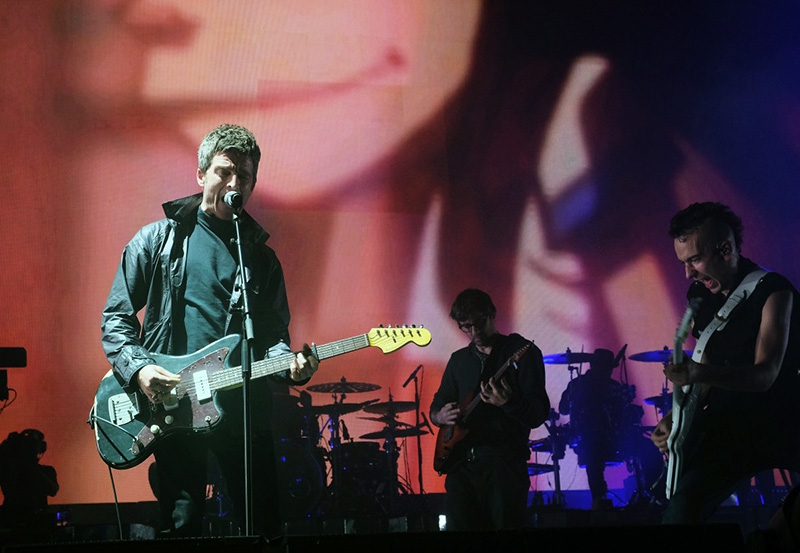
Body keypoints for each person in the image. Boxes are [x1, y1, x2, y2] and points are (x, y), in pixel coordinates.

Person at [101, 124, 319, 540]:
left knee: (264, 526)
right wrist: (141, 371)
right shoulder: (157, 240)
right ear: (202, 175)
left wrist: (291, 366)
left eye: (246, 176)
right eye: (224, 171)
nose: (235, 183)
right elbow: (116, 318)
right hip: (174, 409)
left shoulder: (262, 260)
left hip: (243, 409)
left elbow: (274, 338)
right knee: (181, 525)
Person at [650, 201, 800, 524]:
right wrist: (675, 418)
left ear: (726, 249)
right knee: (680, 512)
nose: (688, 273)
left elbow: (765, 375)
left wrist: (698, 372)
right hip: (732, 427)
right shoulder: (699, 297)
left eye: (694, 260)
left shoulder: (774, 291)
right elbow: (704, 374)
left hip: (785, 420)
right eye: (683, 262)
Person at [429, 288, 550, 531]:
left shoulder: (521, 353)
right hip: (461, 466)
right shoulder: (458, 360)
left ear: (492, 314)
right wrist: (439, 416)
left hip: (503, 464)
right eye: (465, 326)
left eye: (479, 323)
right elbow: (436, 406)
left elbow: (539, 413)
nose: (474, 333)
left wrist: (507, 403)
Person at [558, 348, 639, 510]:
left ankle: (646, 493)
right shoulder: (578, 384)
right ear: (595, 366)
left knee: (642, 443)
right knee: (593, 447)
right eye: (605, 367)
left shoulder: (613, 386)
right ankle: (599, 499)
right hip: (587, 436)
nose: (608, 372)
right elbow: (563, 408)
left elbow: (623, 412)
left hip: (614, 436)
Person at [0, 429, 59, 538]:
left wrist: (29, 465)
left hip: (36, 524)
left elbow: (52, 490)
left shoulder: (46, 471)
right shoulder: (9, 469)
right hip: (11, 521)